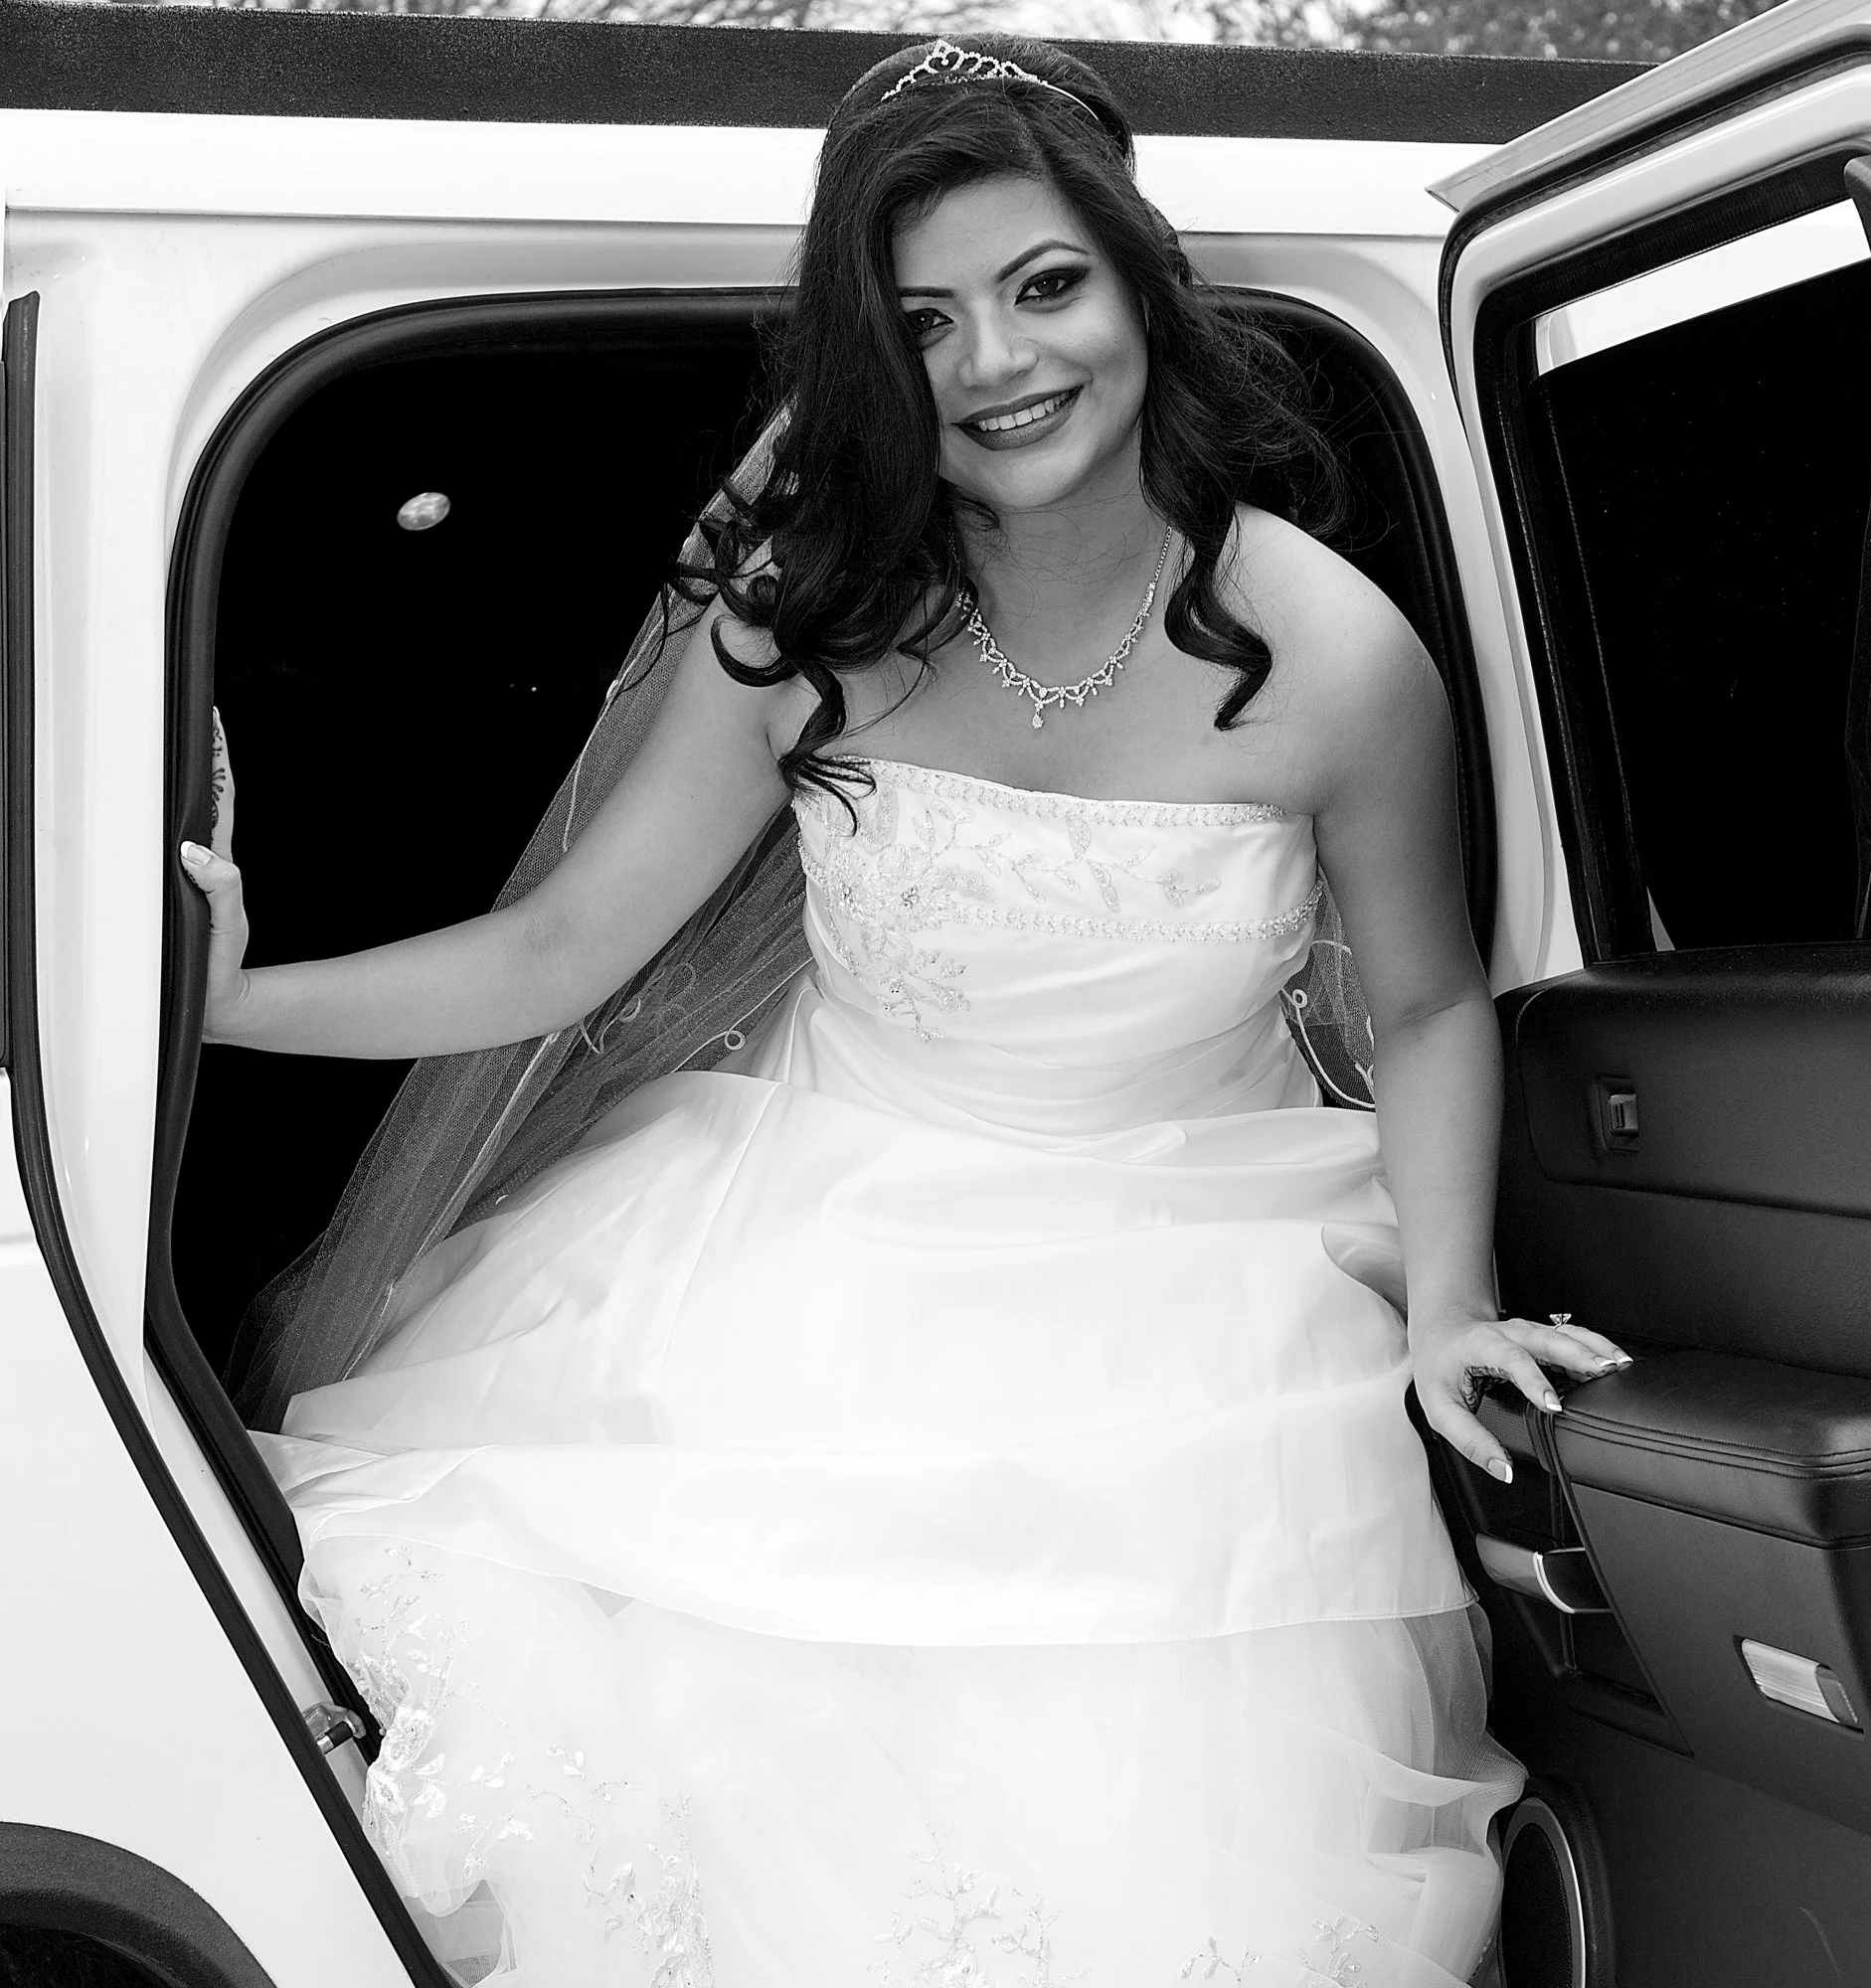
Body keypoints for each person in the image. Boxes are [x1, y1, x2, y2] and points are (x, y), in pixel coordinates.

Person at [181, 36, 1629, 1988]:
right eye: (921, 320)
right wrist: (214, 996)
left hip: (1178, 1343)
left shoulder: (1335, 657)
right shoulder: (815, 613)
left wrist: (1445, 1301)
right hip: (773, 1278)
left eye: (1045, 287)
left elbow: (1439, 1000)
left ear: (1138, 284)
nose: (996, 364)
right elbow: (553, 954)